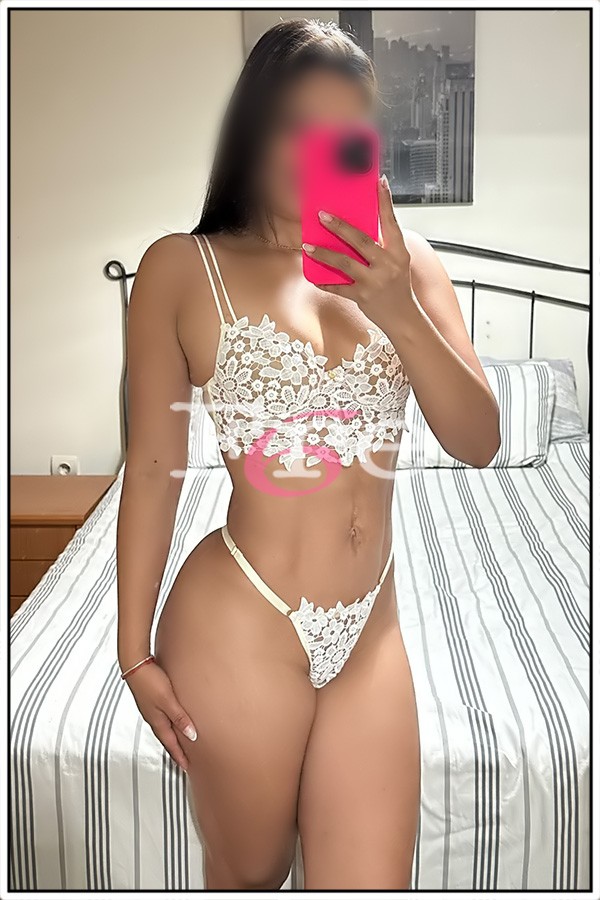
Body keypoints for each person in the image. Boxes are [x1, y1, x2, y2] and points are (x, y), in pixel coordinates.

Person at [116, 19, 500, 890]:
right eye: (295, 124)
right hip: (241, 621)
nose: (315, 149)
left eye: (342, 131)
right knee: (251, 874)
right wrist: (132, 651)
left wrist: (396, 306)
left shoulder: (412, 269)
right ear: (253, 128)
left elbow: (479, 443)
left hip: (371, 625)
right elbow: (153, 471)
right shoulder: (181, 269)